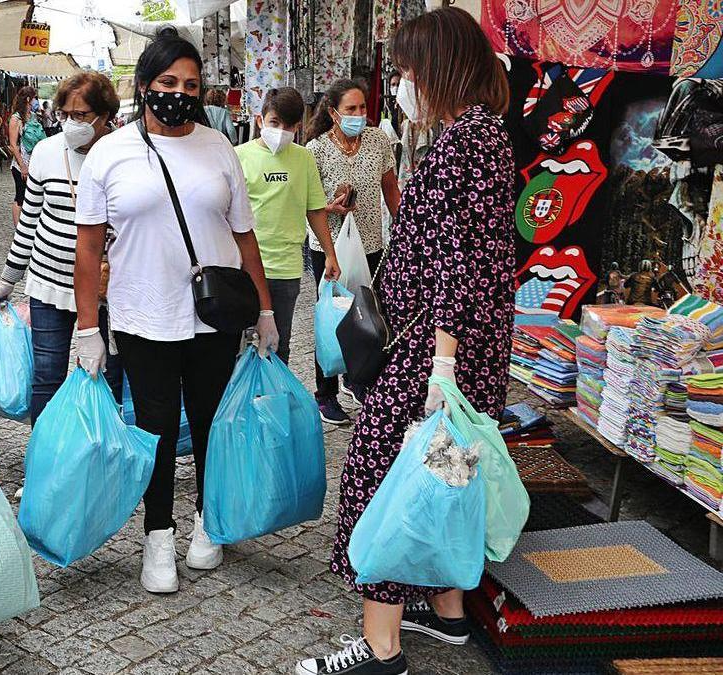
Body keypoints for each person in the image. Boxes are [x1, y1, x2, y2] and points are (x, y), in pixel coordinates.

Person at [296, 8, 515, 675]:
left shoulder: (466, 140)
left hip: (435, 346)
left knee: (383, 475)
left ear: (440, 68)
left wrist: (440, 368)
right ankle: (447, 611)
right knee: (441, 471)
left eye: (408, 70)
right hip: (454, 342)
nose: (401, 84)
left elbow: (458, 259)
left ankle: (381, 646)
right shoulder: (476, 135)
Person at [73, 29, 277, 594]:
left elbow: (245, 237)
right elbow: (87, 248)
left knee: (212, 422)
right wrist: (88, 327)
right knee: (156, 429)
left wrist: (264, 311)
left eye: (190, 84)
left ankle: (209, 522)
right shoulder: (109, 154)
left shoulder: (218, 148)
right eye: (167, 82)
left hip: (213, 317)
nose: (179, 93)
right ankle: (157, 537)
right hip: (143, 316)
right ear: (144, 86)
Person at [0, 72, 124, 420]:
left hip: (106, 288)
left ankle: (100, 450)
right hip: (49, 282)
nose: (71, 123)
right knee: (47, 375)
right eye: (65, 114)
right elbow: (29, 220)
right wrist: (8, 278)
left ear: (105, 115)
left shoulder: (122, 155)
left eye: (81, 116)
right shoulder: (47, 152)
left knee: (107, 374)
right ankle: (45, 453)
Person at [303, 79, 402, 425]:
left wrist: (403, 228)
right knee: (330, 316)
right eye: (351, 110)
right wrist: (329, 208)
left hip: (371, 243)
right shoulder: (314, 150)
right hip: (328, 247)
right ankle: (325, 393)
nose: (359, 115)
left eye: (363, 108)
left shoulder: (377, 141)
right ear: (333, 112)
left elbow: (391, 188)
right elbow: (309, 204)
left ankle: (359, 379)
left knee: (367, 316)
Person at [236, 87, 345, 364]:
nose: (280, 131)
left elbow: (315, 209)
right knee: (240, 347)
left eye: (288, 126)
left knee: (277, 345)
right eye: (274, 123)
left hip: (286, 268)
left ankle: (273, 403)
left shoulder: (304, 158)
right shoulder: (238, 157)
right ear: (260, 120)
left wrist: (330, 254)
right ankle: (243, 404)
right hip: (243, 267)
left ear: (298, 127)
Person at [7, 86, 46, 227]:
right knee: (20, 196)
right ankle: (18, 228)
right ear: (29, 99)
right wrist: (22, 165)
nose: (36, 101)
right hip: (21, 164)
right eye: (35, 98)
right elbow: (13, 145)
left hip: (35, 163)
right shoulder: (15, 119)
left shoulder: (34, 116)